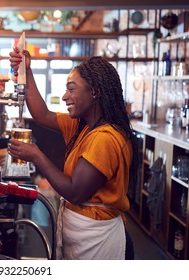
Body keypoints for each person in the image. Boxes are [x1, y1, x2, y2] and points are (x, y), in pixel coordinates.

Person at [8, 49, 137, 260]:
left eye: (71, 89)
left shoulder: (105, 137)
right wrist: (27, 70)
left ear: (95, 91)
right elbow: (42, 114)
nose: (65, 96)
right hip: (82, 233)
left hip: (98, 238)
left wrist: (37, 156)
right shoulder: (83, 126)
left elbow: (76, 192)